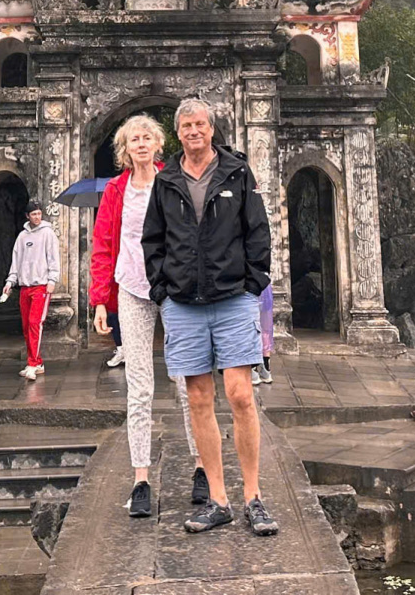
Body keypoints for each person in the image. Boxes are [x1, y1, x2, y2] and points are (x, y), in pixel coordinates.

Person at [142, 98, 278, 537]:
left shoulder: (236, 173)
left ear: (211, 129)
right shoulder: (166, 180)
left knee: (240, 395)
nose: (194, 132)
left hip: (233, 298)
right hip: (183, 304)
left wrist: (254, 282)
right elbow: (153, 240)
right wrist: (162, 290)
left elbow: (257, 228)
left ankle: (253, 497)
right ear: (178, 133)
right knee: (198, 399)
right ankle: (217, 499)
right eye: (186, 126)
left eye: (200, 124)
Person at [90, 113, 204, 519]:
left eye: (146, 137)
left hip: (172, 290)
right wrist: (101, 299)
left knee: (185, 380)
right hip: (132, 290)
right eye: (132, 139)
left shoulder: (172, 182)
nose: (140, 144)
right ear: (125, 149)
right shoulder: (116, 191)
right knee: (139, 388)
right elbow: (103, 244)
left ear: (158, 145)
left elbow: (191, 234)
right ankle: (140, 477)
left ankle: (201, 466)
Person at [0, 201, 59, 381]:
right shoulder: (22, 237)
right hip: (25, 286)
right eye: (33, 214)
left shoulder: (48, 233)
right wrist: (10, 282)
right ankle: (37, 361)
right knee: (26, 326)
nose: (37, 217)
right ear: (27, 216)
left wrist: (52, 280)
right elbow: (16, 262)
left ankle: (32, 363)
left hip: (41, 285)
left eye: (39, 214)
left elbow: (53, 258)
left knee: (35, 323)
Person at [255, 277, 275, 383]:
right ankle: (266, 368)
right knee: (265, 329)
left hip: (250, 288)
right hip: (265, 287)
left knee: (251, 328)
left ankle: (252, 367)